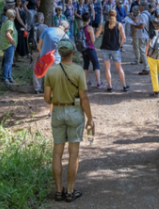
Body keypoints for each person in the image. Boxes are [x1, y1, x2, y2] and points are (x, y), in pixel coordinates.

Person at [44, 39, 94, 203]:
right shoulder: (79, 71)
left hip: (57, 111)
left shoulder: (51, 72)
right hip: (74, 112)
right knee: (74, 153)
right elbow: (84, 98)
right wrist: (90, 119)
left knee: (57, 152)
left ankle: (58, 191)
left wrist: (58, 100)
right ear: (73, 52)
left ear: (59, 52)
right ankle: (70, 191)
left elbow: (46, 98)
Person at [95, 9, 130, 92]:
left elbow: (96, 35)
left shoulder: (104, 24)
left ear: (108, 15)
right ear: (116, 15)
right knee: (119, 68)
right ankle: (124, 86)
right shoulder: (119, 25)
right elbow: (124, 37)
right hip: (115, 48)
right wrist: (120, 45)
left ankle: (110, 87)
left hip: (105, 48)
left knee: (107, 68)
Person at [81, 13, 104, 89]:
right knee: (96, 64)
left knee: (86, 65)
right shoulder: (89, 28)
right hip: (90, 48)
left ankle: (85, 81)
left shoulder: (81, 28)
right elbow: (93, 40)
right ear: (89, 19)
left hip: (83, 49)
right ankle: (98, 83)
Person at [0, 9, 17, 86]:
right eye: (15, 14)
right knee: (8, 62)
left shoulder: (5, 21)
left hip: (5, 44)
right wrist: (12, 41)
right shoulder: (10, 22)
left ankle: (9, 77)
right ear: (12, 15)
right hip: (8, 44)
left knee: (9, 61)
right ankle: (4, 78)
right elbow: (7, 34)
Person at [32, 12, 48, 93]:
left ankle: (37, 88)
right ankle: (46, 87)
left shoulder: (32, 26)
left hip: (34, 49)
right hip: (43, 49)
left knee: (36, 67)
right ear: (42, 20)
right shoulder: (45, 27)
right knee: (45, 67)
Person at [130, 6, 150, 74]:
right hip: (147, 34)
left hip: (143, 35)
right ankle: (147, 66)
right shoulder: (148, 13)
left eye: (140, 6)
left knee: (143, 51)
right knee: (145, 51)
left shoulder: (143, 15)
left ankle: (146, 68)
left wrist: (134, 26)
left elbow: (142, 26)